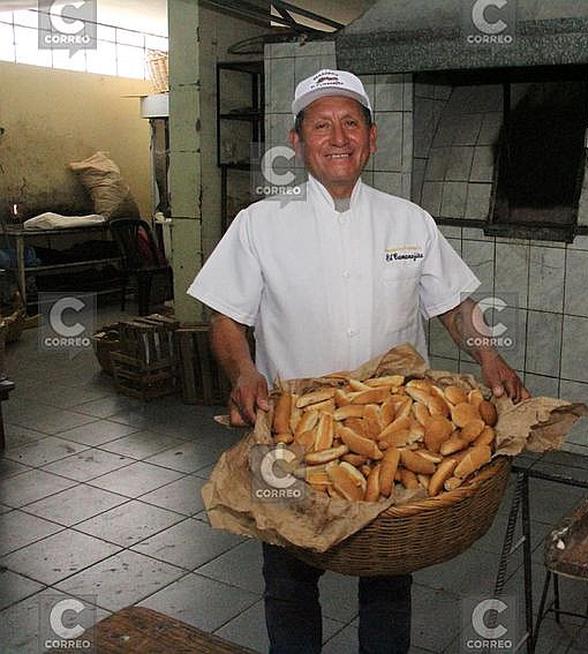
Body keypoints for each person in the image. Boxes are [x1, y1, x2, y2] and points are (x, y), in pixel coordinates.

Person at [187, 69, 529, 654]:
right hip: (296, 435)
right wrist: (243, 372)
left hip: (390, 436)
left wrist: (490, 358)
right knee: (289, 581)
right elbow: (225, 316)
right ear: (297, 142)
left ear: (372, 138)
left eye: (351, 123)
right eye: (321, 125)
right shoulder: (260, 224)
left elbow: (453, 306)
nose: (338, 137)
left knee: (388, 583)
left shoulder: (409, 221)